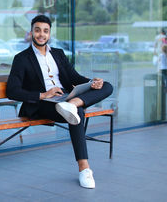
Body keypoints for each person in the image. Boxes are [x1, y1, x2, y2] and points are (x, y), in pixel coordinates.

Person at [6, 15, 113, 189]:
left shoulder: (58, 53)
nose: (41, 34)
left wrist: (92, 82)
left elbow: (74, 77)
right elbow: (12, 91)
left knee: (107, 86)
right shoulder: (22, 58)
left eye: (45, 31)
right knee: (77, 113)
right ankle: (84, 168)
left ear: (49, 33)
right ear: (31, 32)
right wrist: (43, 94)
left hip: (66, 99)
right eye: (38, 30)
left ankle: (74, 103)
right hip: (43, 104)